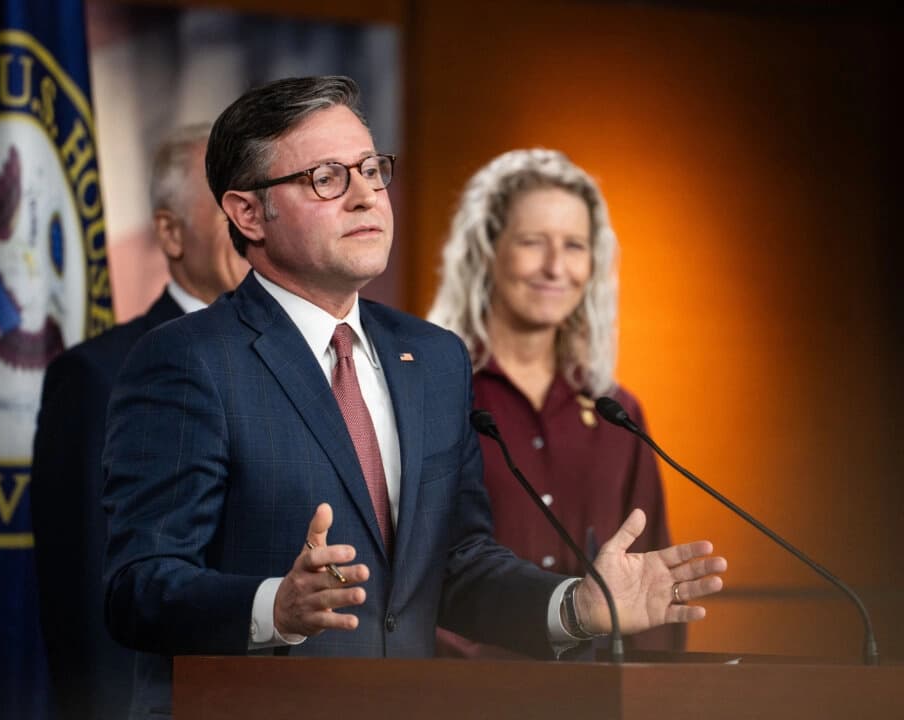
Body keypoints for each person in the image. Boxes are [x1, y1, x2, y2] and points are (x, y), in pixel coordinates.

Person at [102, 76, 726, 718]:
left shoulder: (432, 358)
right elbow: (138, 588)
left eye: (372, 170)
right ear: (248, 213)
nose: (366, 196)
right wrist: (273, 607)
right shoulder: (189, 358)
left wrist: (573, 606)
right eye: (326, 177)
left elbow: (454, 564)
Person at [31, 123, 249, 720]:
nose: (254, 219)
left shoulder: (314, 360)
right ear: (171, 232)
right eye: (231, 200)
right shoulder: (99, 376)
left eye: (261, 196)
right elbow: (90, 604)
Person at [428, 148, 681, 655]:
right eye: (532, 243)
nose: (554, 267)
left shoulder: (617, 413)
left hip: (597, 698)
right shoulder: (430, 395)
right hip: (458, 696)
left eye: (574, 246)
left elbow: (655, 587)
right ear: (487, 250)